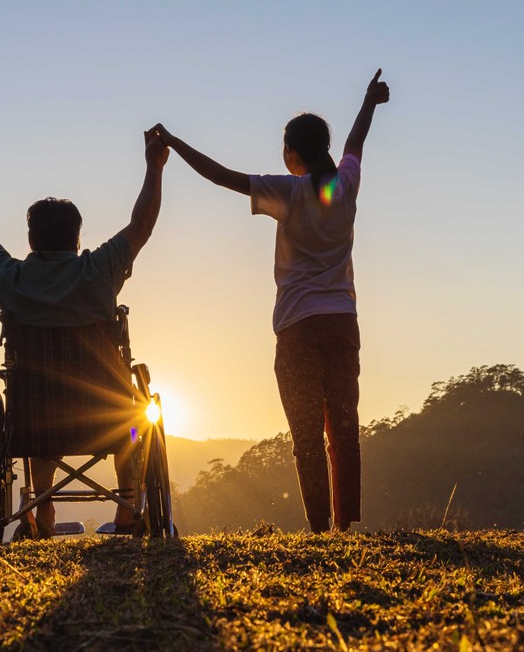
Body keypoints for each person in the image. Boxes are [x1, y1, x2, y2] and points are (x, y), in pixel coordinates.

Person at [152, 70, 389, 533]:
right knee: (343, 424)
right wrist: (369, 101)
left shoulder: (289, 191)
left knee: (305, 434)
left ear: (293, 155)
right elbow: (357, 141)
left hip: (298, 326)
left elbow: (222, 177)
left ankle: (319, 527)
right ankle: (346, 525)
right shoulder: (344, 185)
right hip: (343, 322)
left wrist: (174, 144)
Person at [0, 129, 168, 537]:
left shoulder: (12, 278)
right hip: (113, 419)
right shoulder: (99, 270)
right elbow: (142, 224)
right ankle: (128, 509)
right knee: (137, 408)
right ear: (77, 238)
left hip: (33, 424)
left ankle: (44, 508)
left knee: (35, 396)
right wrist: (153, 167)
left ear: (31, 239)